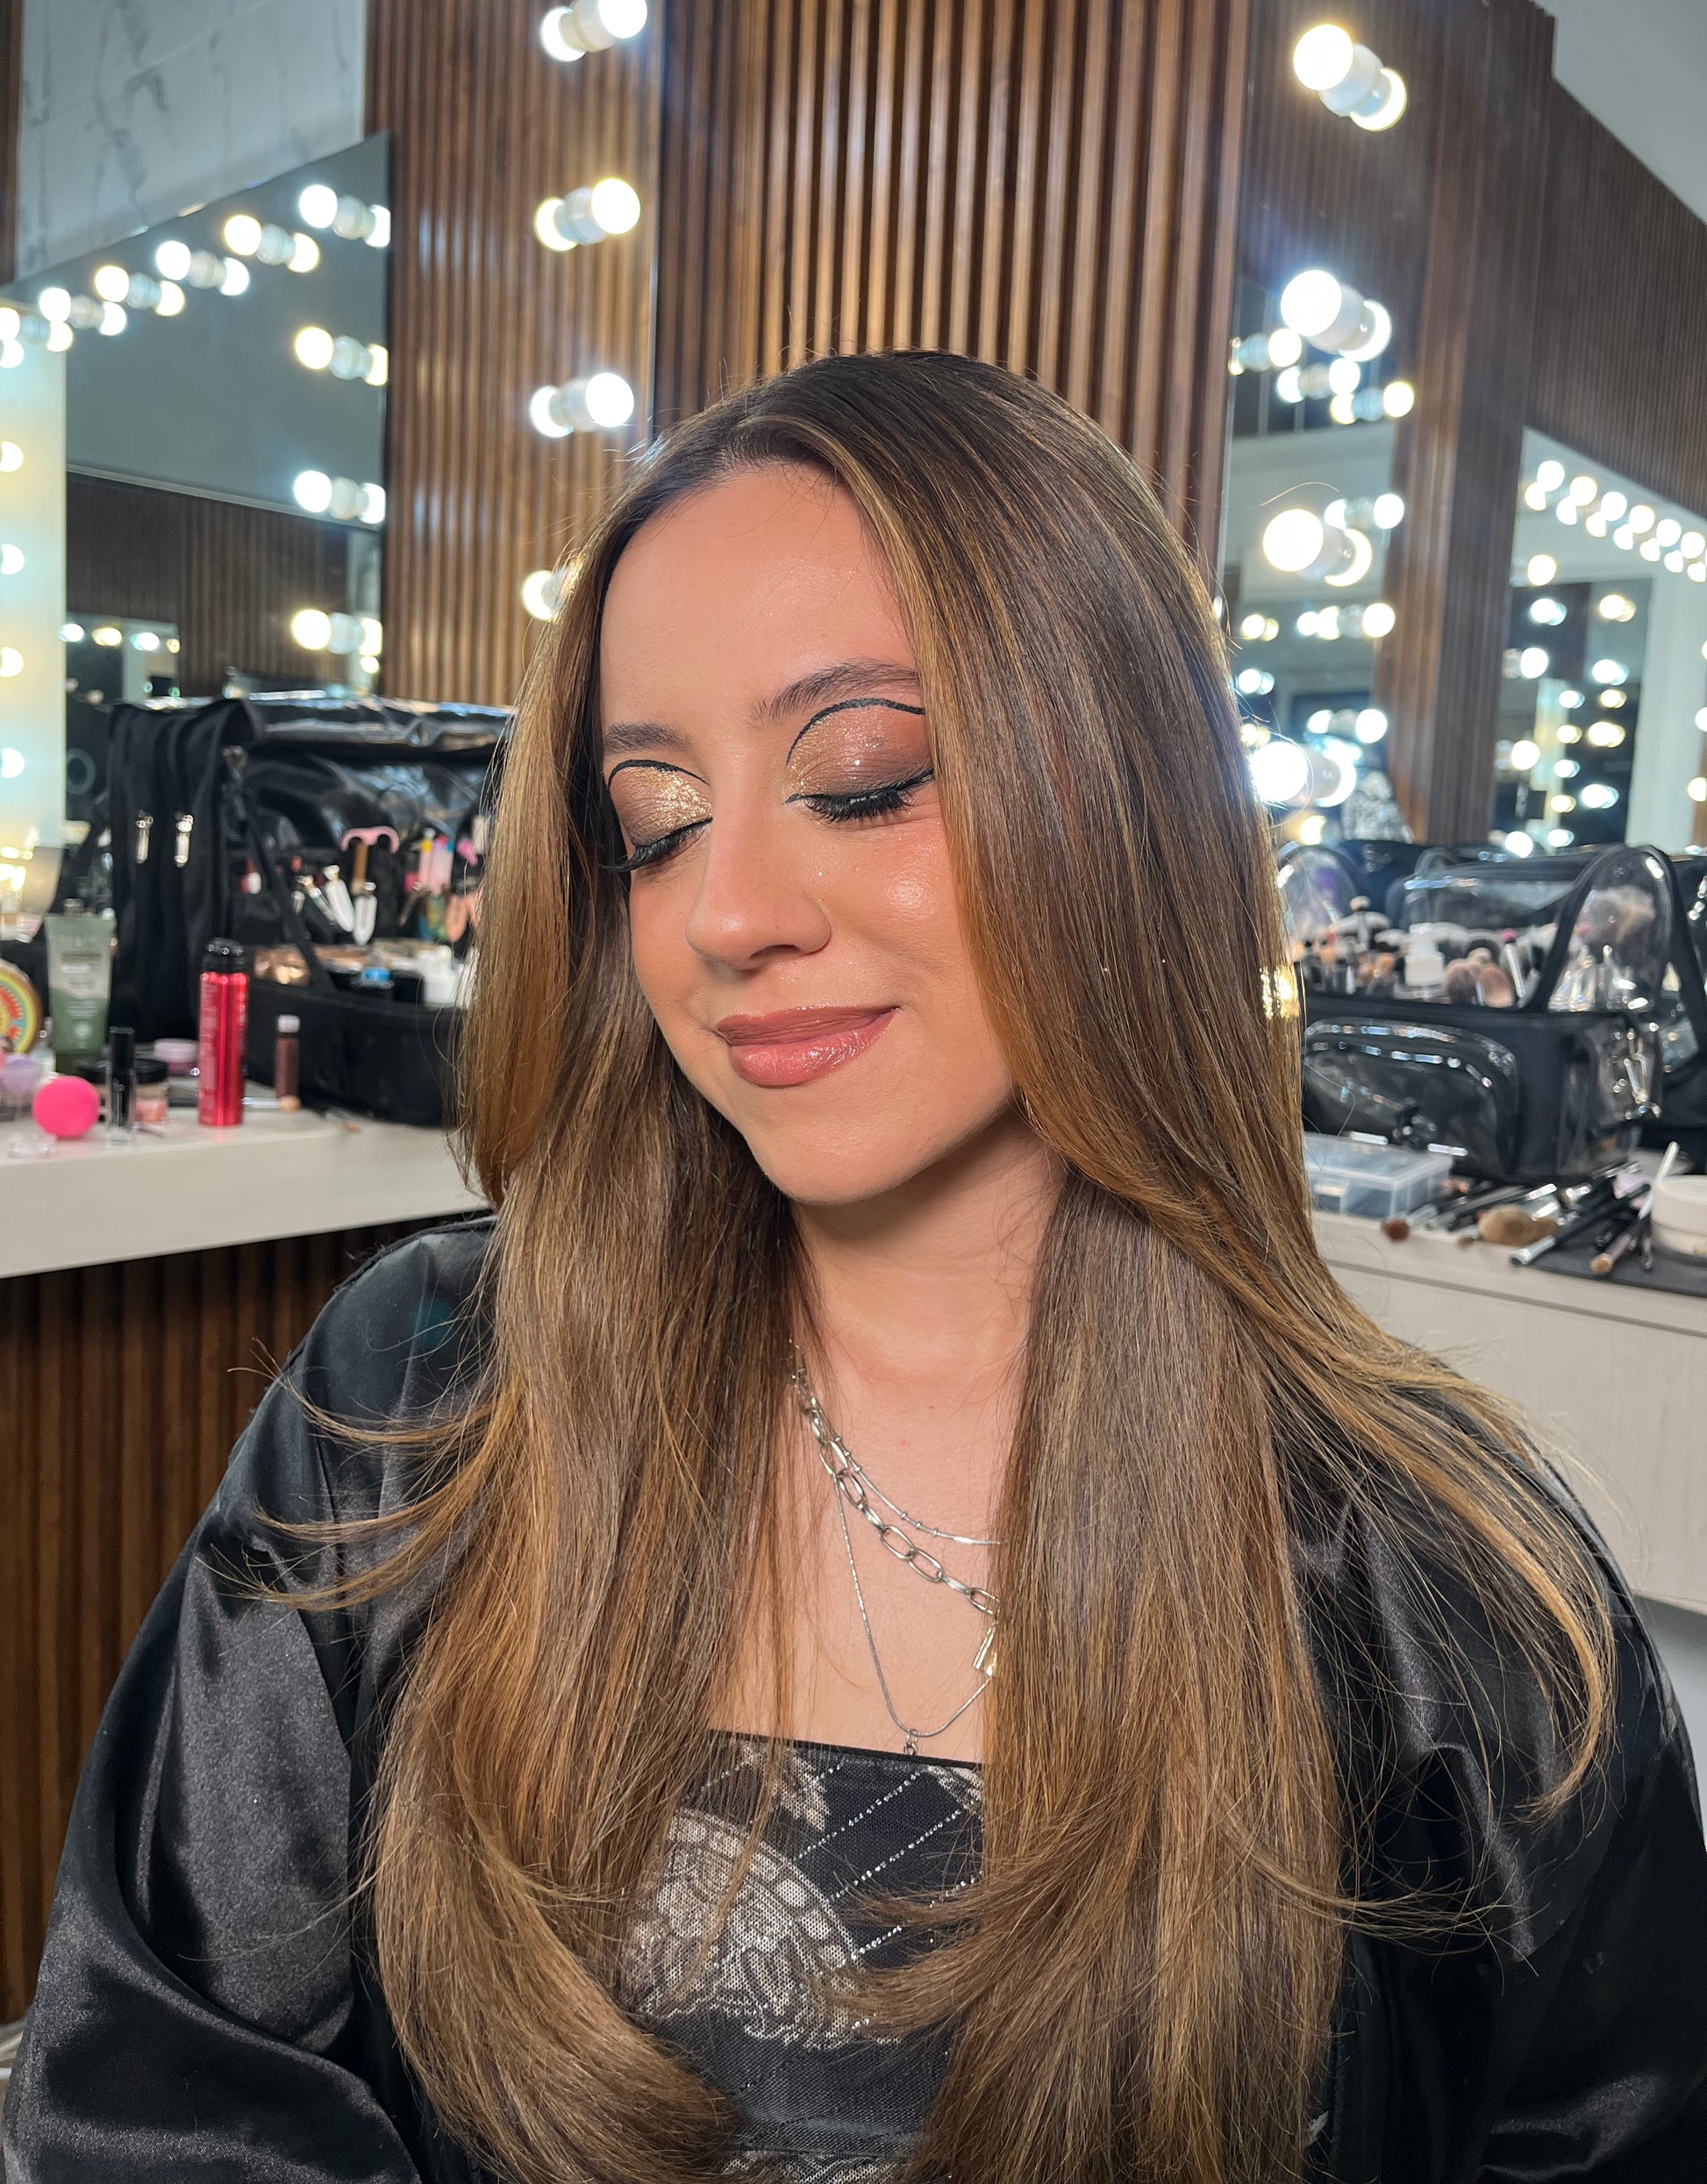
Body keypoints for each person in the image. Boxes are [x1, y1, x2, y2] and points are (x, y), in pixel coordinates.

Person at [7, 351, 1706, 2184]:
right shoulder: (420, 1400)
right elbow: (157, 2092)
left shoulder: (1440, 1586)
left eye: (864, 777)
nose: (726, 913)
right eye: (655, 822)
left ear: (1125, 792)